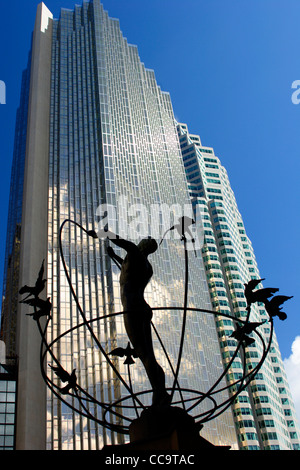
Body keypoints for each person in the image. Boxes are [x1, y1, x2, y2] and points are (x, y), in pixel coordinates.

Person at [98, 228, 171, 407]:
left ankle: (160, 393)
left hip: (132, 307)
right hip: (142, 307)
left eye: (144, 240)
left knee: (143, 353)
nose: (140, 241)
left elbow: (123, 242)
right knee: (148, 355)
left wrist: (104, 232)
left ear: (144, 245)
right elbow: (127, 267)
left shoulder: (134, 252)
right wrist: (114, 256)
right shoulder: (147, 267)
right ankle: (160, 392)